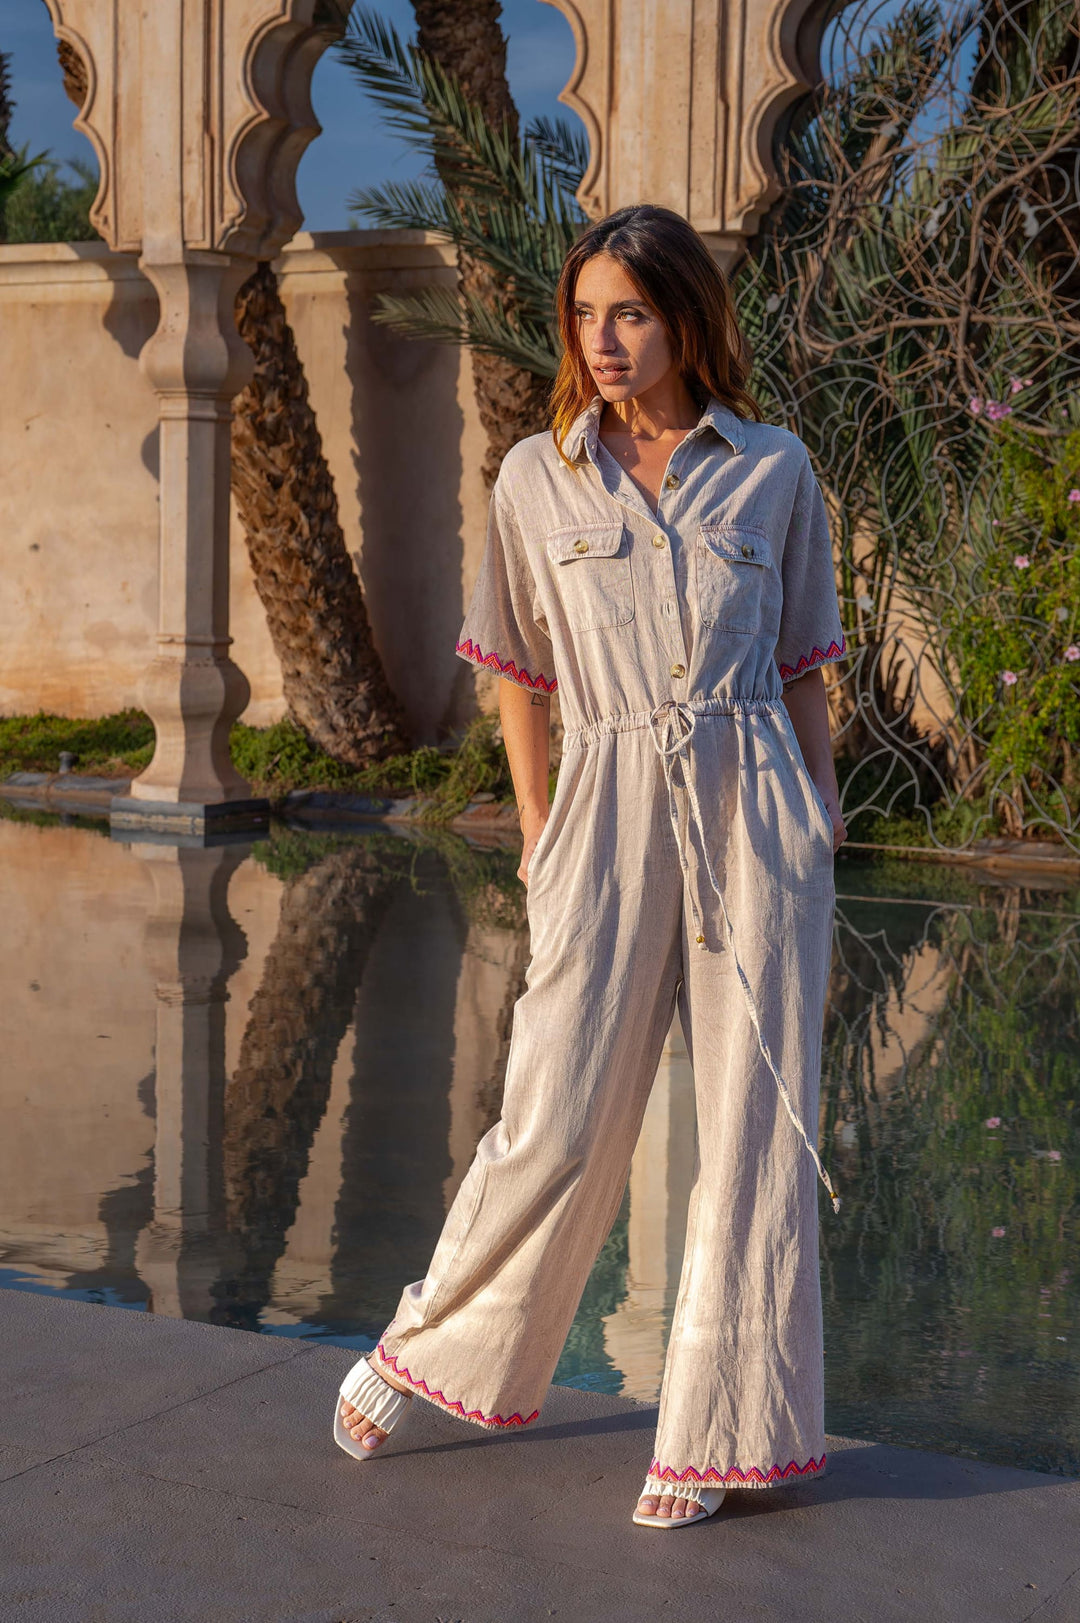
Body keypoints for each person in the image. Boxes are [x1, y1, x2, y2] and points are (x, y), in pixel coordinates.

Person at [333, 202, 848, 1530]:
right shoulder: (535, 476)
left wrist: (820, 811)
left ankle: (715, 1441)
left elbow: (803, 662)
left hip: (756, 805)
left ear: (686, 317)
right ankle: (425, 1341)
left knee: (752, 1125)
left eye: (630, 312)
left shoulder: (774, 469)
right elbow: (517, 667)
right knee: (555, 1103)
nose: (603, 340)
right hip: (605, 798)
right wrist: (541, 823)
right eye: (585, 314)